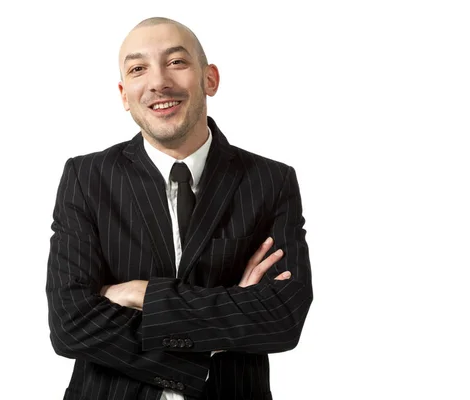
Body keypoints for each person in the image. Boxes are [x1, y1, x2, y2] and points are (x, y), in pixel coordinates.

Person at [46, 17, 313, 400]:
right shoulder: (86, 178)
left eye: (176, 62)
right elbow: (70, 323)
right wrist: (214, 343)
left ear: (210, 79)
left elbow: (283, 318)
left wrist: (143, 295)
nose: (158, 82)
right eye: (138, 69)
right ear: (124, 94)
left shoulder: (271, 181)